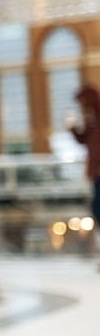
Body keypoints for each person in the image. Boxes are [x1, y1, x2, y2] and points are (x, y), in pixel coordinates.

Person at [70, 85, 100, 237]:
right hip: (96, 174)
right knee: (96, 208)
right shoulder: (91, 119)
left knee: (97, 207)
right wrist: (73, 129)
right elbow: (84, 140)